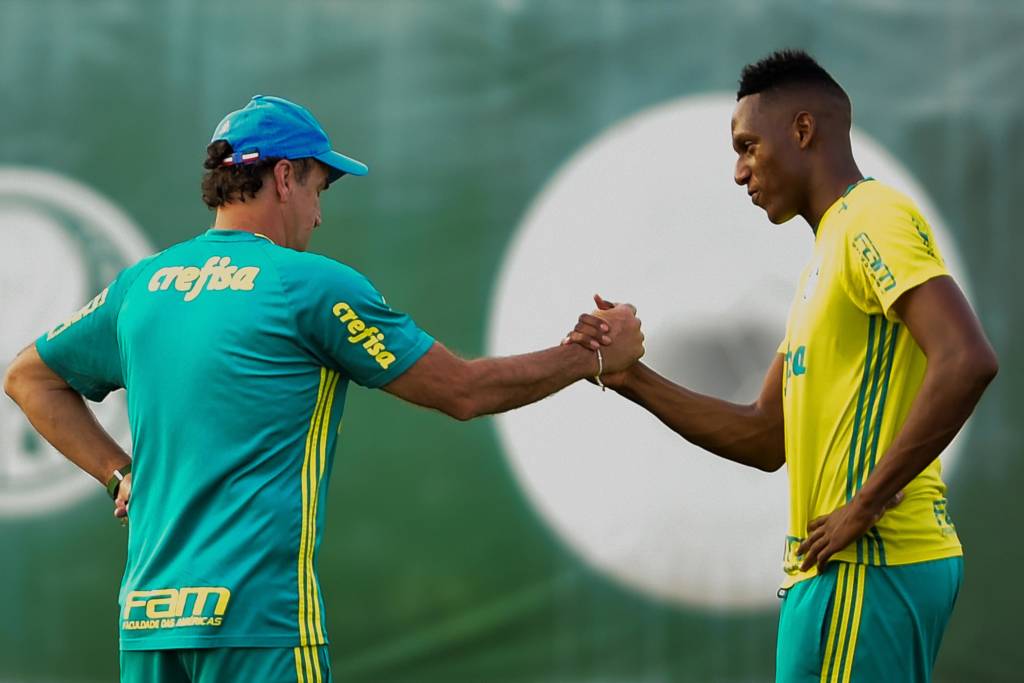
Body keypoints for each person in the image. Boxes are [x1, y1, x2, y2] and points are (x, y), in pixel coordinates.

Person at [2, 95, 644, 683]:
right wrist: (587, 355)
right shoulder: (305, 282)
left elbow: (27, 375)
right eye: (319, 185)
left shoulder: (141, 285)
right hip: (260, 622)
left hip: (147, 623)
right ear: (284, 177)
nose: (319, 212)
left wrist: (119, 476)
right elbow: (462, 392)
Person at [568, 50, 997, 682]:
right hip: (845, 571)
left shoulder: (870, 219)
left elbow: (966, 360)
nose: (740, 172)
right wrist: (630, 377)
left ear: (802, 131)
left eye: (747, 147)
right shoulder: (825, 257)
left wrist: (865, 504)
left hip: (867, 566)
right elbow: (767, 435)